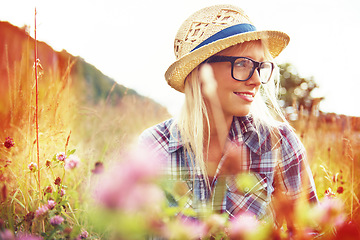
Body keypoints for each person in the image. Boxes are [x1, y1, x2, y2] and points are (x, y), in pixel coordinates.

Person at [138, 4, 318, 226]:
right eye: (242, 64)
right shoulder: (154, 148)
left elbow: (311, 230)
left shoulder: (279, 143)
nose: (256, 80)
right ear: (201, 71)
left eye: (260, 66)